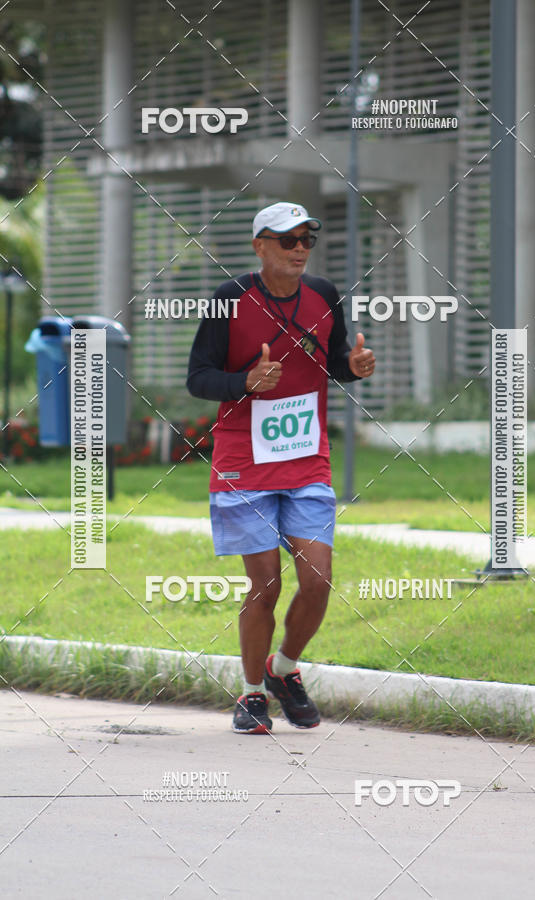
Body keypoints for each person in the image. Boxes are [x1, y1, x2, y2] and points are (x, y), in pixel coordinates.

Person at [187, 201, 375, 734]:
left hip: (306, 456)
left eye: (306, 238)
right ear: (259, 246)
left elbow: (333, 361)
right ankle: (250, 697)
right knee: (264, 585)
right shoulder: (230, 299)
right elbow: (198, 377)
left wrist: (353, 368)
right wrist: (243, 382)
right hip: (243, 460)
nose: (299, 248)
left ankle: (284, 669)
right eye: (287, 238)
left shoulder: (324, 295)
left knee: (318, 577)